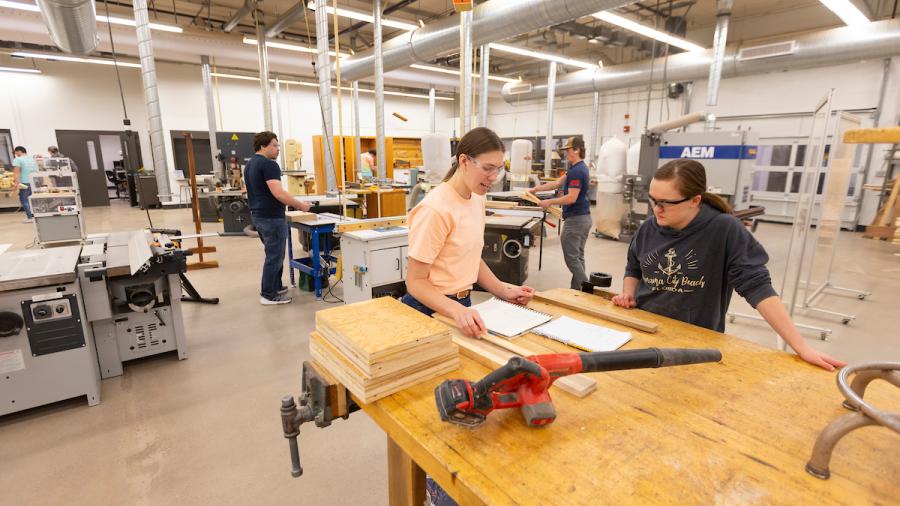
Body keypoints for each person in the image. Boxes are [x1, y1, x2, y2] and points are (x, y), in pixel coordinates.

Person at [402, 126, 534, 506]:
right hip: (430, 311)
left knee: (465, 400)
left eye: (499, 170)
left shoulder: (475, 198)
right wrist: (457, 309)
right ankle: (434, 488)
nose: (493, 178)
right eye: (488, 169)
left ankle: (453, 482)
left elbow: (471, 256)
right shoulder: (435, 208)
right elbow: (416, 282)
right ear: (464, 161)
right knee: (436, 408)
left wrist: (501, 289)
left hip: (459, 308)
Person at [611, 159, 845, 371]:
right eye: (653, 200)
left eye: (665, 203)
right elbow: (634, 267)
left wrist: (801, 346)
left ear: (695, 200)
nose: (656, 209)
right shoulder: (648, 228)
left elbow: (757, 287)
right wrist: (628, 294)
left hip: (693, 342)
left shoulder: (724, 230)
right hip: (644, 330)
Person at [244, 131, 313, 305]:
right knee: (274, 256)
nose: (278, 149)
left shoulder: (250, 164)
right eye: (274, 145)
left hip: (259, 215)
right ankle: (268, 294)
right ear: (263, 146)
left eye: (278, 145)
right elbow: (279, 193)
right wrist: (301, 205)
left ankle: (275, 286)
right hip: (271, 217)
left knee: (273, 253)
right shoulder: (269, 165)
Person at [528, 136, 592, 289]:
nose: (565, 154)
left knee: (572, 259)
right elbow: (557, 183)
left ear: (576, 150)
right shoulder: (577, 168)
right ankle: (578, 290)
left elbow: (571, 197)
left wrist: (549, 202)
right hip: (584, 218)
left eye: (568, 150)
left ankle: (588, 289)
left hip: (575, 220)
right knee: (578, 256)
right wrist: (536, 189)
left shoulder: (577, 171)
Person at [12, 146, 39, 223]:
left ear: (19, 151)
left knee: (24, 200)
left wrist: (16, 183)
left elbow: (16, 172)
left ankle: (30, 217)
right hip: (34, 181)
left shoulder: (18, 159)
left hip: (24, 182)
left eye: (15, 152)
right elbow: (37, 171)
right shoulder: (32, 159)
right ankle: (36, 216)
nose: (16, 154)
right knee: (33, 200)